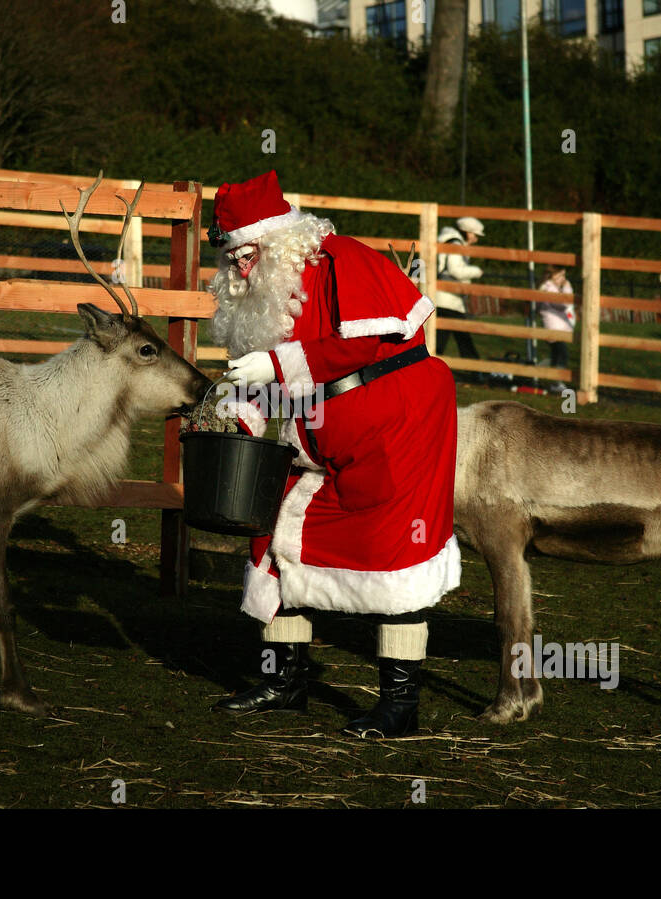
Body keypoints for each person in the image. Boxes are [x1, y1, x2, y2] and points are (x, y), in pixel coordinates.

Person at [208, 171, 461, 739]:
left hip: (397, 429)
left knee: (395, 554)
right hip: (316, 431)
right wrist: (234, 422)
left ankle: (401, 703)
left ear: (278, 239)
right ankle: (285, 680)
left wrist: (276, 367)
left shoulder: (344, 260)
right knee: (272, 532)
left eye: (249, 255)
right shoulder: (263, 296)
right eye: (233, 259)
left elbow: (369, 341)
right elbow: (261, 378)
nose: (241, 270)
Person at [433, 216, 484, 368]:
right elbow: (455, 270)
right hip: (448, 299)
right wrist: (476, 271)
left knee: (442, 341)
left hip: (445, 299)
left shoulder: (447, 241)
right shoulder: (455, 244)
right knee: (462, 338)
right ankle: (476, 371)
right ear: (467, 232)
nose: (476, 239)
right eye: (475, 235)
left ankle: (430, 369)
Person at [536, 263, 575, 394]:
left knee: (557, 354)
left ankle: (551, 378)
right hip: (553, 327)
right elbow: (563, 304)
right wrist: (567, 288)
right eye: (561, 275)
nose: (563, 279)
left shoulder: (552, 287)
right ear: (553, 275)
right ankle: (556, 381)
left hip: (557, 327)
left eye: (564, 275)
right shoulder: (548, 287)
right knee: (562, 354)